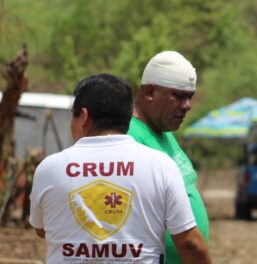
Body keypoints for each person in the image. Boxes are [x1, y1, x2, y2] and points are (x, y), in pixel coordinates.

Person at [29, 73, 212, 264]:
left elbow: (42, 229)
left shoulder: (49, 169)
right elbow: (191, 244)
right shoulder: (161, 165)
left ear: (83, 116)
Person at [128, 51, 209, 264]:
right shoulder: (130, 138)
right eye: (179, 96)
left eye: (189, 97)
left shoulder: (165, 133)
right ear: (149, 91)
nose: (187, 106)